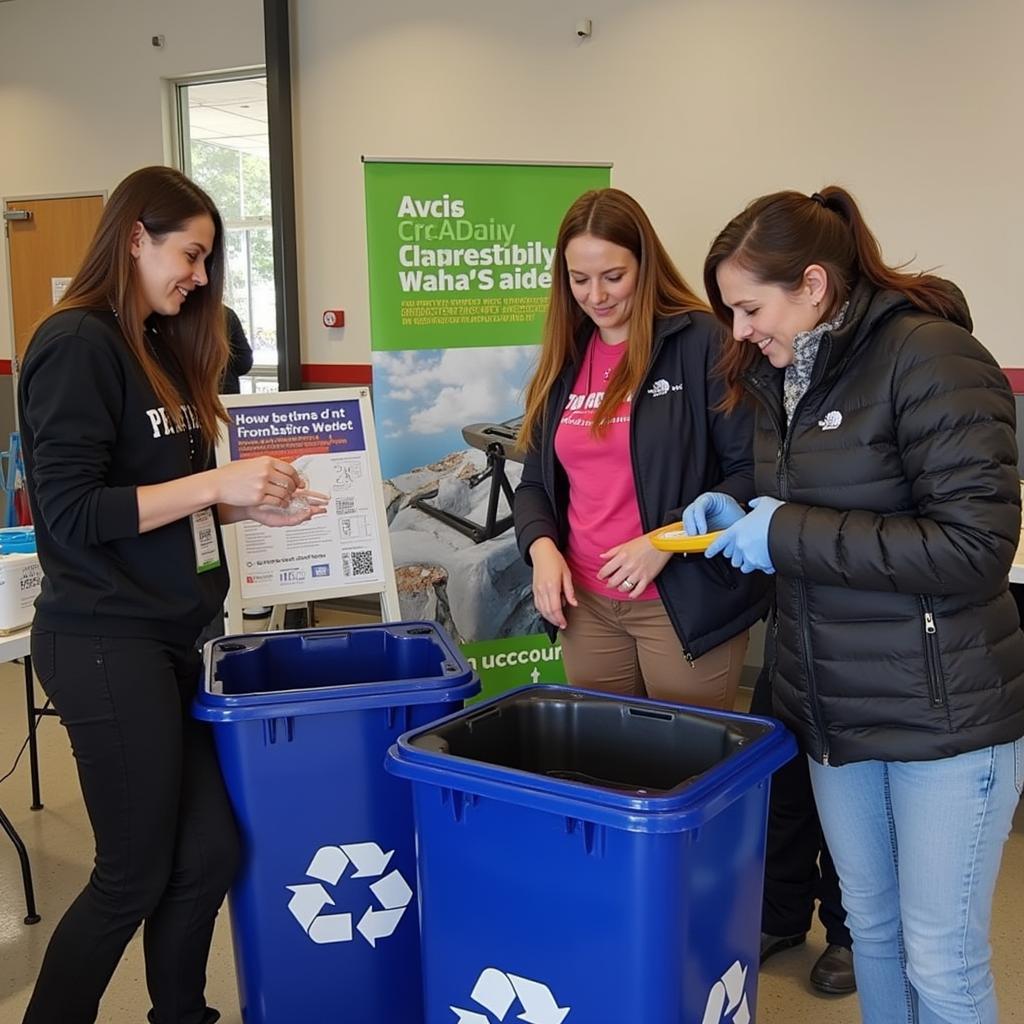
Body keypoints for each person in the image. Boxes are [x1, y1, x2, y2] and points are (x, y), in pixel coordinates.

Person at [685, 185, 1024, 1023]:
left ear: (813, 284)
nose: (739, 330)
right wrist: (741, 522)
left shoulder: (932, 357)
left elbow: (975, 548)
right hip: (832, 709)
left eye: (749, 307)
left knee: (939, 957)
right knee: (870, 929)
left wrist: (787, 534)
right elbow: (816, 518)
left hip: (943, 716)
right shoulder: (781, 380)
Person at [17, 165, 326, 1024]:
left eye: (207, 260)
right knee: (132, 875)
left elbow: (164, 496)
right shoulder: (76, 343)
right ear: (133, 238)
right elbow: (73, 513)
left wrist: (254, 502)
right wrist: (216, 484)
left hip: (168, 634)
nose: (198, 276)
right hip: (102, 640)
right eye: (189, 255)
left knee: (208, 854)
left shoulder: (156, 341)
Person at [513, 188, 770, 708]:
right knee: (602, 767)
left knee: (687, 768)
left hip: (680, 602)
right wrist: (541, 551)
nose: (596, 296)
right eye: (579, 280)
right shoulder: (566, 356)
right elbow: (537, 483)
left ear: (645, 265)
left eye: (613, 277)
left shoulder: (704, 340)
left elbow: (753, 472)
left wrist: (664, 541)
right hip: (585, 603)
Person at [750, 664, 855, 995]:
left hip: (863, 661)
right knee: (782, 791)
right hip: (790, 648)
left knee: (848, 813)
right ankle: (782, 918)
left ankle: (848, 935)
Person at [221, 304, 254, 393]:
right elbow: (244, 363)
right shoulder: (226, 315)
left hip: (186, 397)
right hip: (225, 391)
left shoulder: (181, 312)